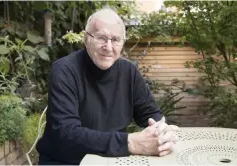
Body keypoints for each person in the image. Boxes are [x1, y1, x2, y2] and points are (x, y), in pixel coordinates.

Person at [36, 7, 179, 165]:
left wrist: (161, 131)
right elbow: (66, 133)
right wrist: (130, 143)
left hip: (110, 159)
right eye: (101, 38)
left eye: (116, 40)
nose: (109, 47)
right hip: (66, 161)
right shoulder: (65, 70)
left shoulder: (129, 72)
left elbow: (151, 114)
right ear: (86, 38)